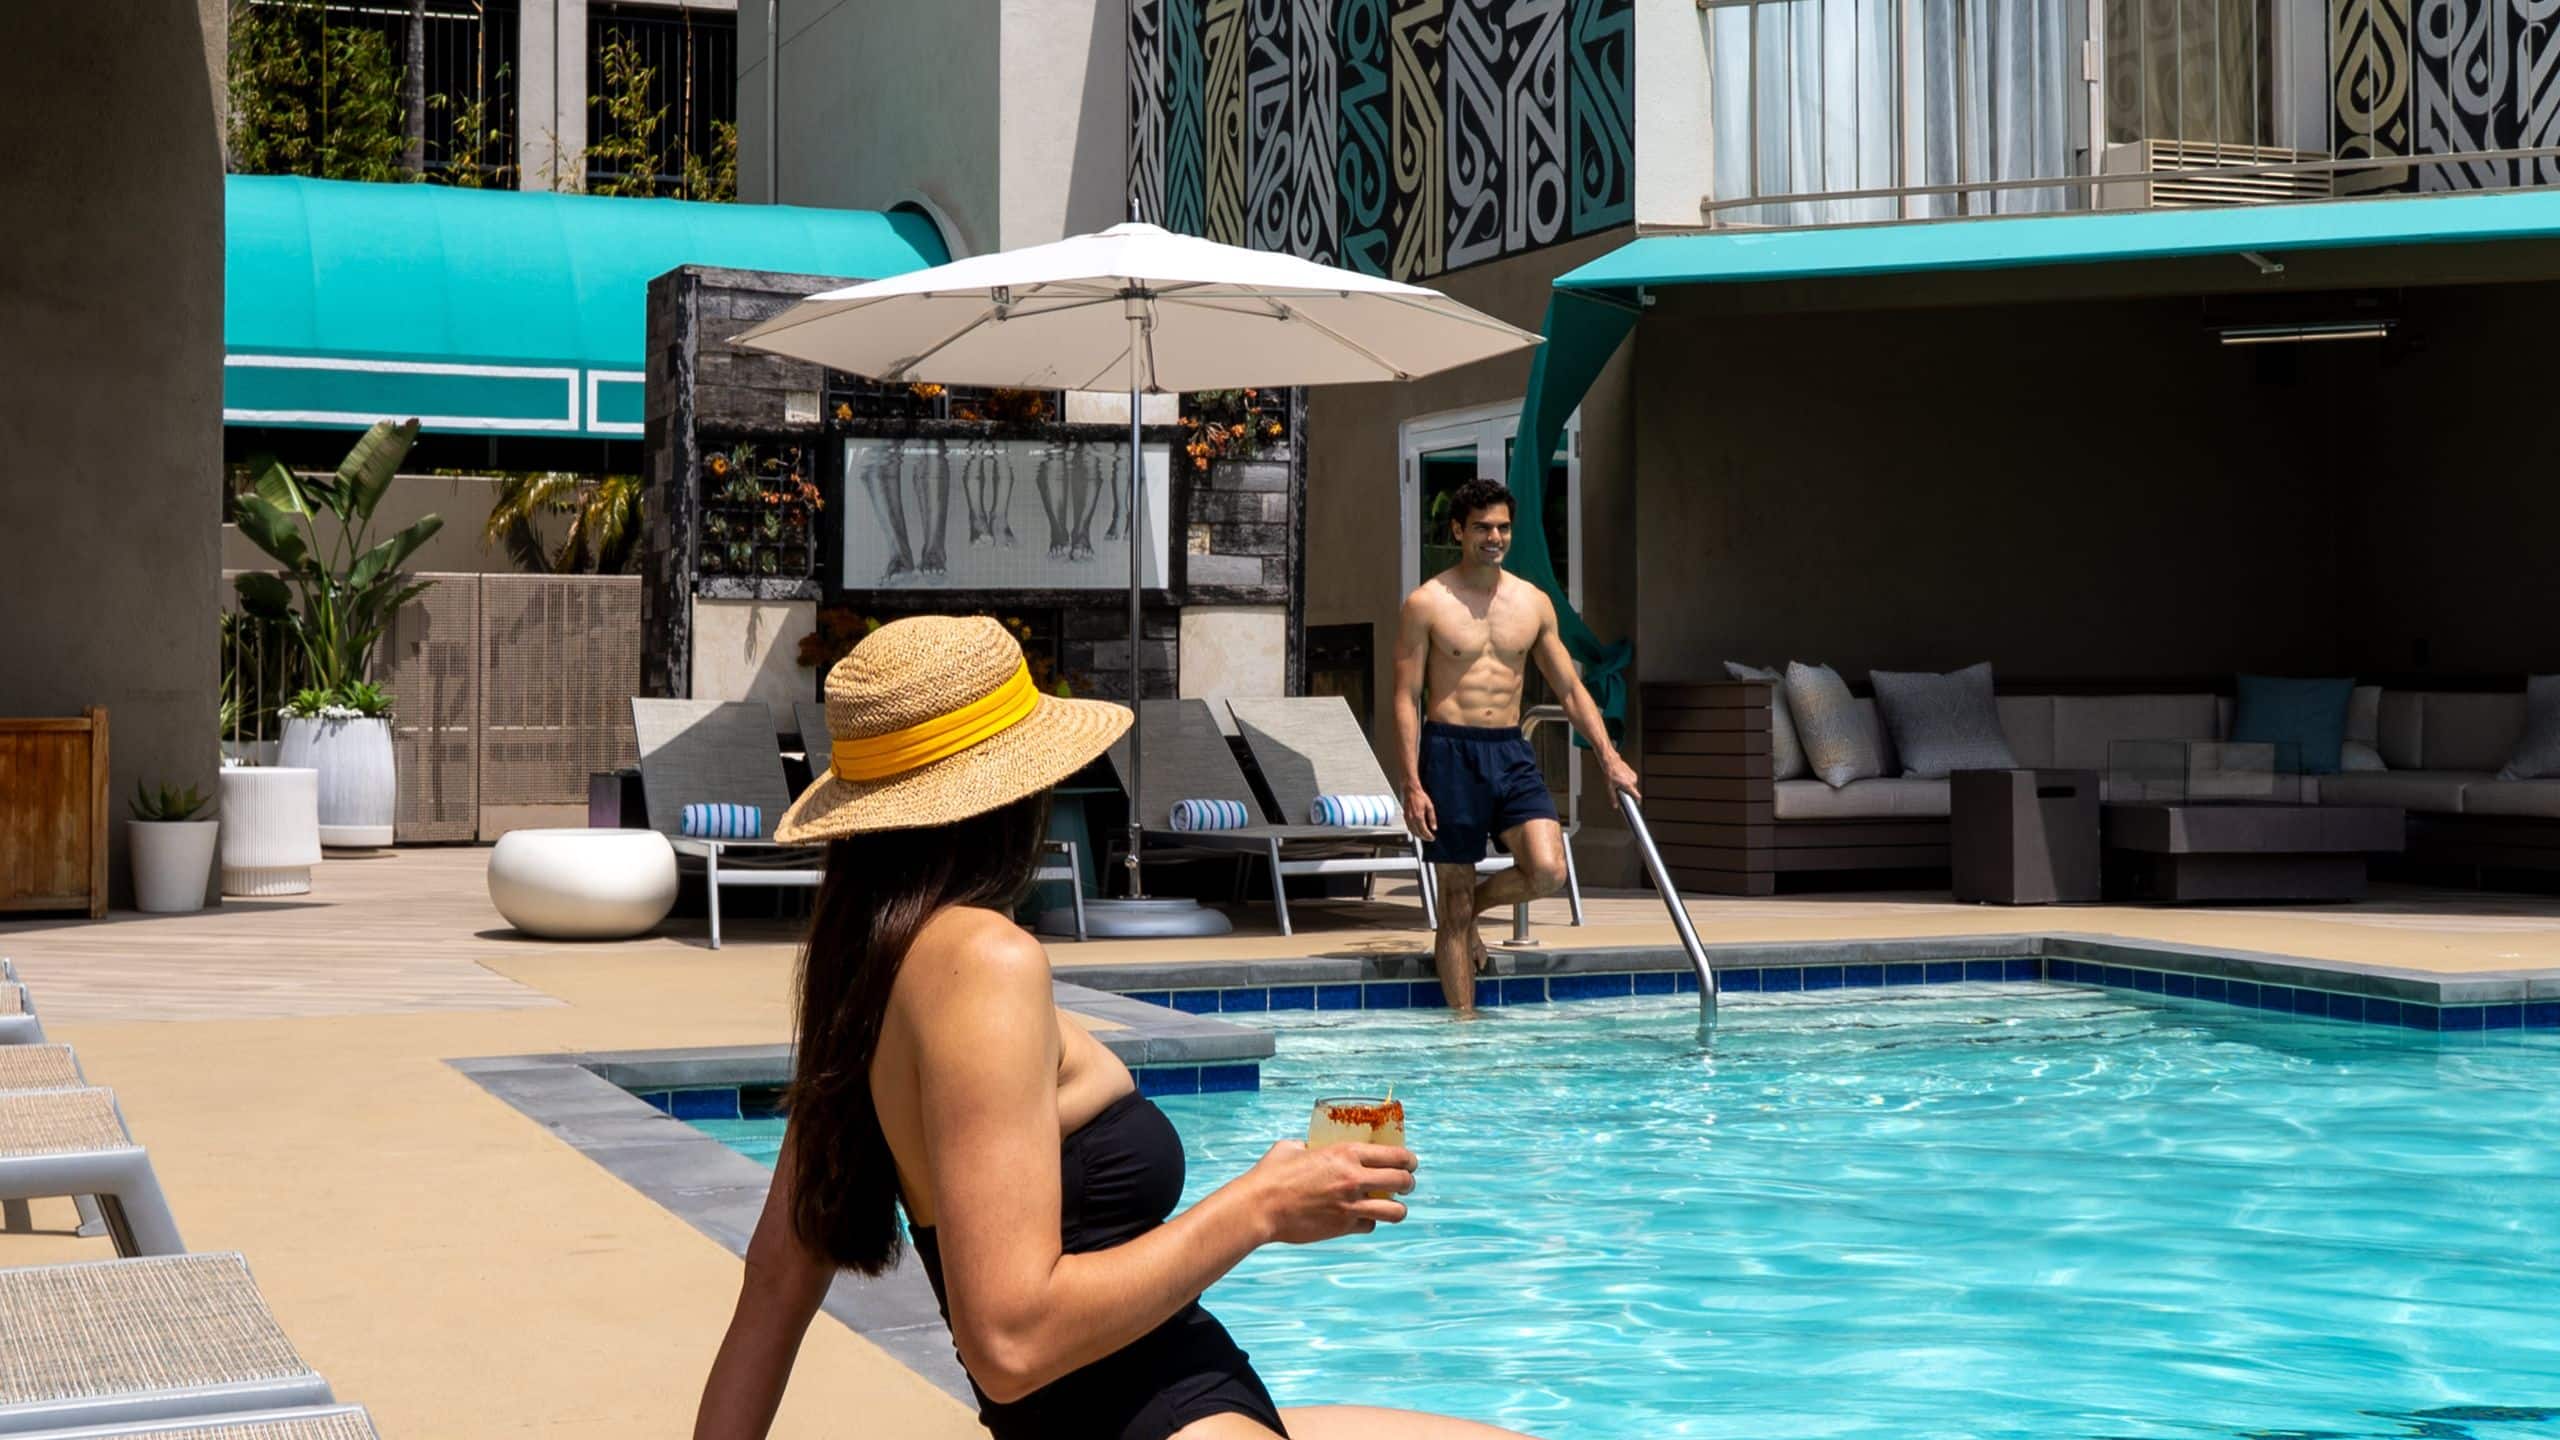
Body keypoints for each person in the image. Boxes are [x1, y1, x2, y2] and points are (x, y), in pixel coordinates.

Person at [695, 615, 1535, 1440]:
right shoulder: (987, 961)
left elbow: (774, 1289)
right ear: (1015, 790)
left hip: (1167, 1396)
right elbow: (1010, 1344)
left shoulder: (869, 981)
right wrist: (1261, 1205)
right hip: (1146, 1411)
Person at [1395, 478, 1640, 1014]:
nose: (1494, 537)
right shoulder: (1427, 603)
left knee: (1548, 869)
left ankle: (1468, 913)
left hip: (1510, 751)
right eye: (1482, 527)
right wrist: (1412, 783)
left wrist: (1609, 756)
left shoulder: (1532, 602)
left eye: (1503, 527)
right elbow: (1406, 696)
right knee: (1453, 894)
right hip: (1450, 754)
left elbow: (1571, 689)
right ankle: (1464, 1032)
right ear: (1458, 530)